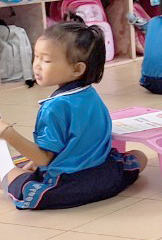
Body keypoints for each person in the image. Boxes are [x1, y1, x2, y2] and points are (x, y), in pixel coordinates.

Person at [1, 21, 147, 209]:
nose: (37, 66)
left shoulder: (53, 107)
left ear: (77, 69)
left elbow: (44, 159)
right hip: (106, 175)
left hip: (67, 184)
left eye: (46, 60)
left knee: (9, 174)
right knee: (140, 156)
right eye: (36, 57)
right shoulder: (91, 94)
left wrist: (8, 134)